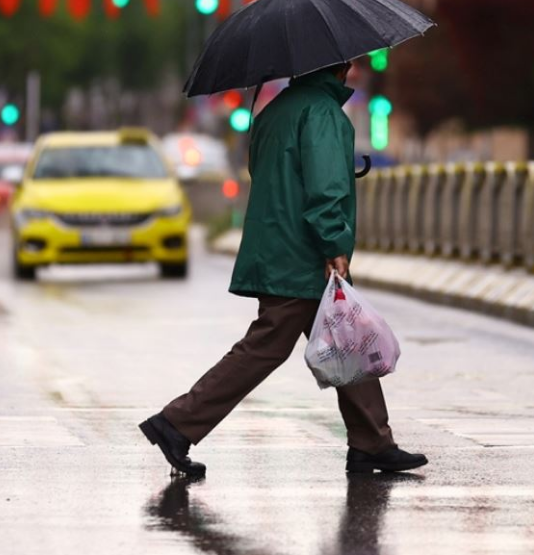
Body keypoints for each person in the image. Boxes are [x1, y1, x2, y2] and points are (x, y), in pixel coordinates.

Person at [139, 61, 428, 477]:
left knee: (348, 338)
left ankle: (372, 442)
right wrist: (334, 244)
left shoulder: (274, 110)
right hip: (302, 255)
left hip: (276, 245)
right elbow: (325, 189)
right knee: (267, 347)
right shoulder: (323, 113)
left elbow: (269, 173)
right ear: (341, 67)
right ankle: (176, 423)